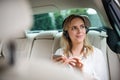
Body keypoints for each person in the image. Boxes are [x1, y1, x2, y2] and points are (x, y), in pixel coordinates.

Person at [53, 14, 108, 80]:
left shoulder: (97, 53)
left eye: (82, 27)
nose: (79, 31)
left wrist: (82, 74)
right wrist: (54, 70)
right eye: (74, 28)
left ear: (86, 30)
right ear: (66, 33)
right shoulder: (60, 53)